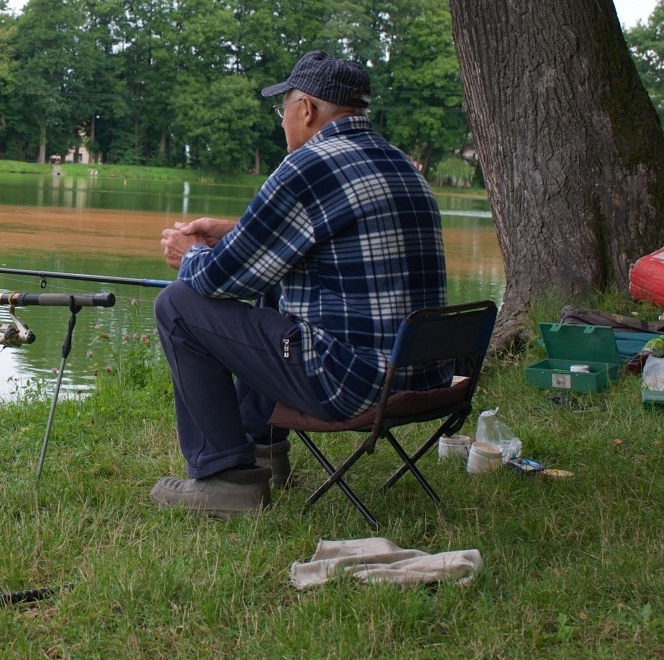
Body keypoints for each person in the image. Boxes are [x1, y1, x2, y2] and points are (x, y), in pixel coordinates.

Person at [150, 51, 447, 516]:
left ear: (306, 109)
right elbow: (326, 239)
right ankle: (263, 449)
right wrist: (233, 232)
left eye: (282, 110)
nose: (282, 122)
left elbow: (215, 278)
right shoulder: (399, 162)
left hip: (352, 383)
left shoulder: (309, 165)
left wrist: (189, 254)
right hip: (423, 374)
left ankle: (227, 479)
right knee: (272, 283)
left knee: (179, 303)